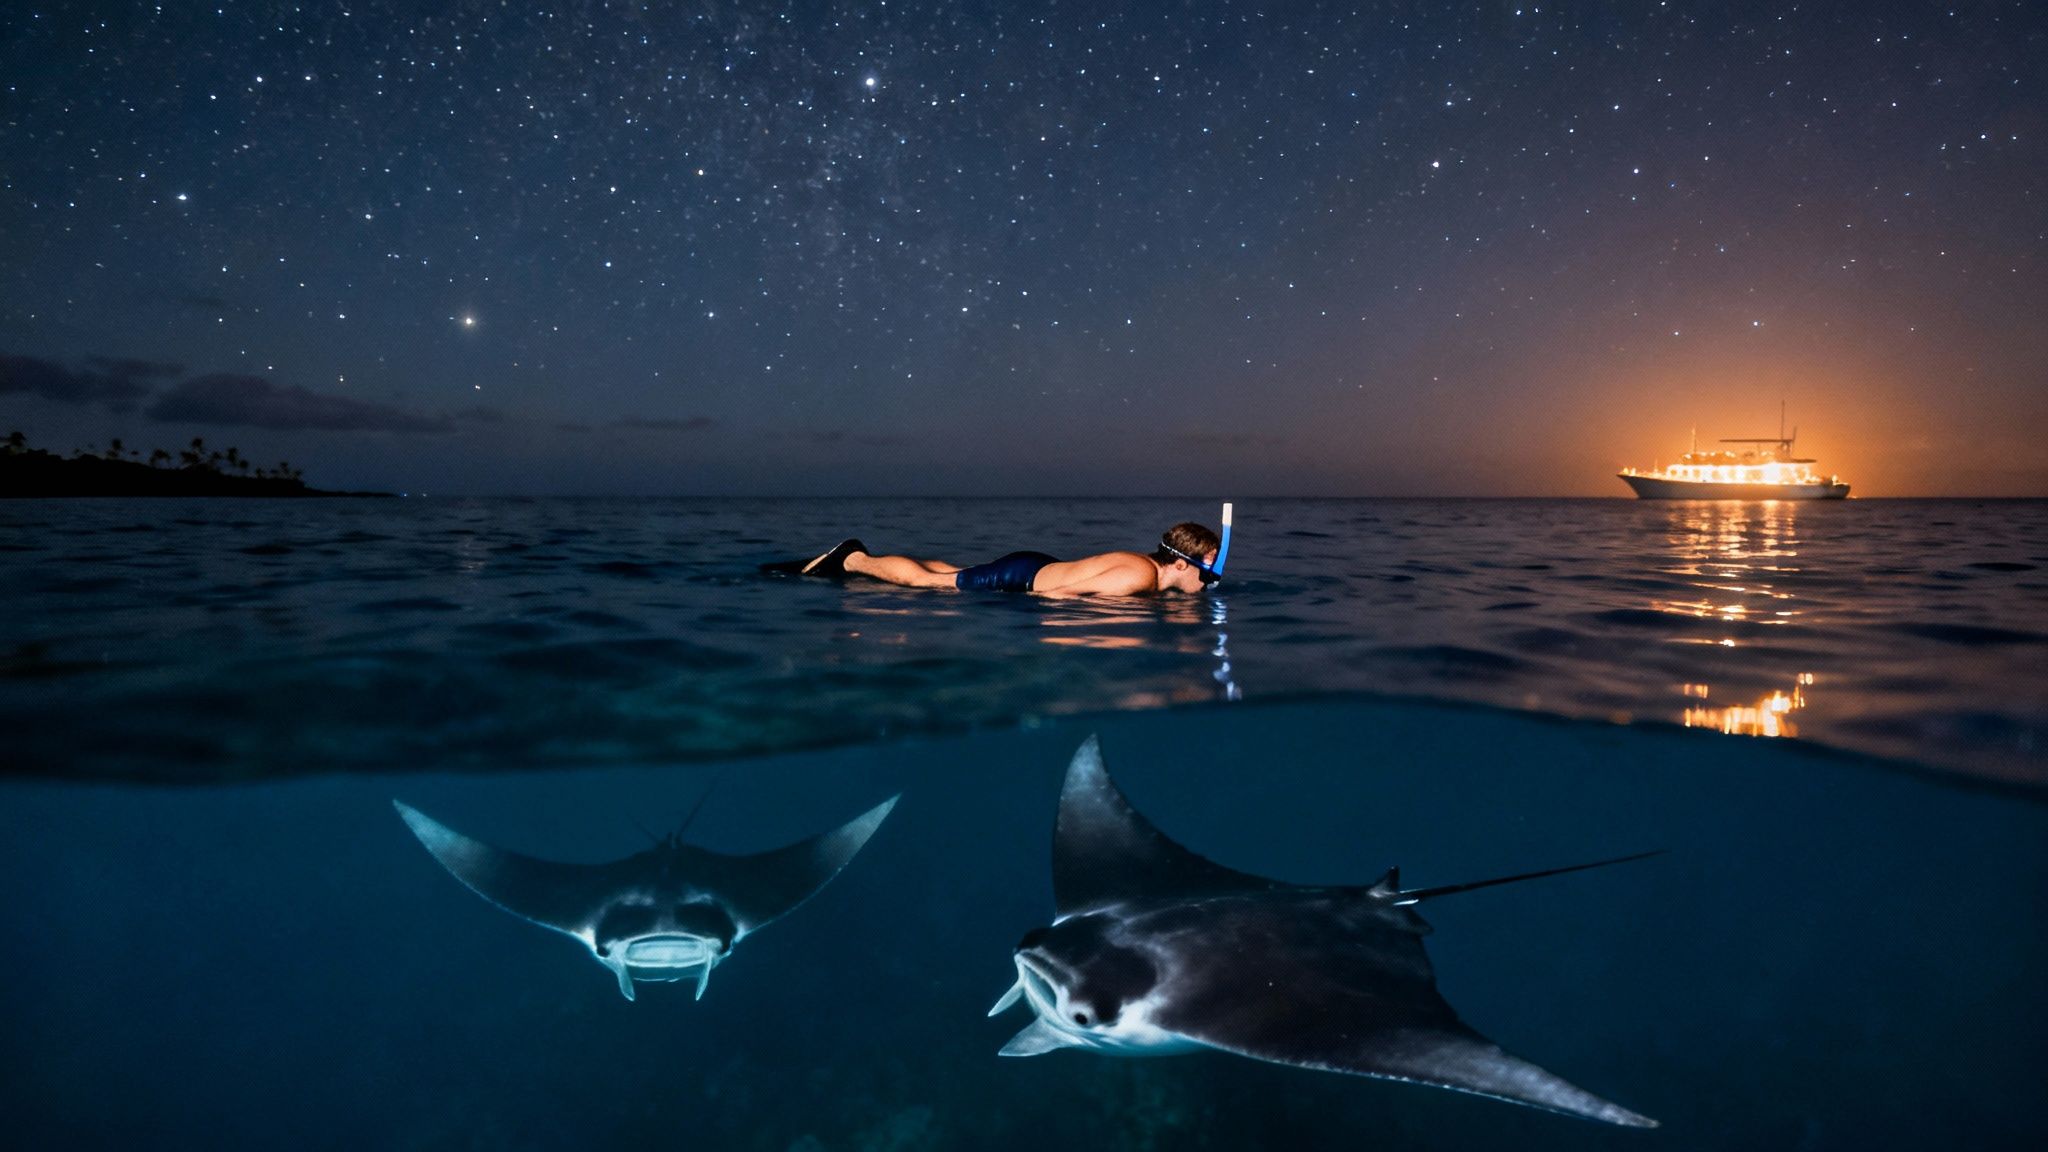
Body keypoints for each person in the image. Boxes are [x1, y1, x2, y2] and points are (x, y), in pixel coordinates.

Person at [783, 522, 1222, 597]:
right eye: (1210, 566)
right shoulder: (1139, 578)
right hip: (1022, 580)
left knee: (949, 573)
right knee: (930, 587)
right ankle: (853, 560)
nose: (1213, 575)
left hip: (1032, 567)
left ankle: (866, 559)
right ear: (1182, 564)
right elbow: (1062, 599)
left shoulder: (1144, 570)